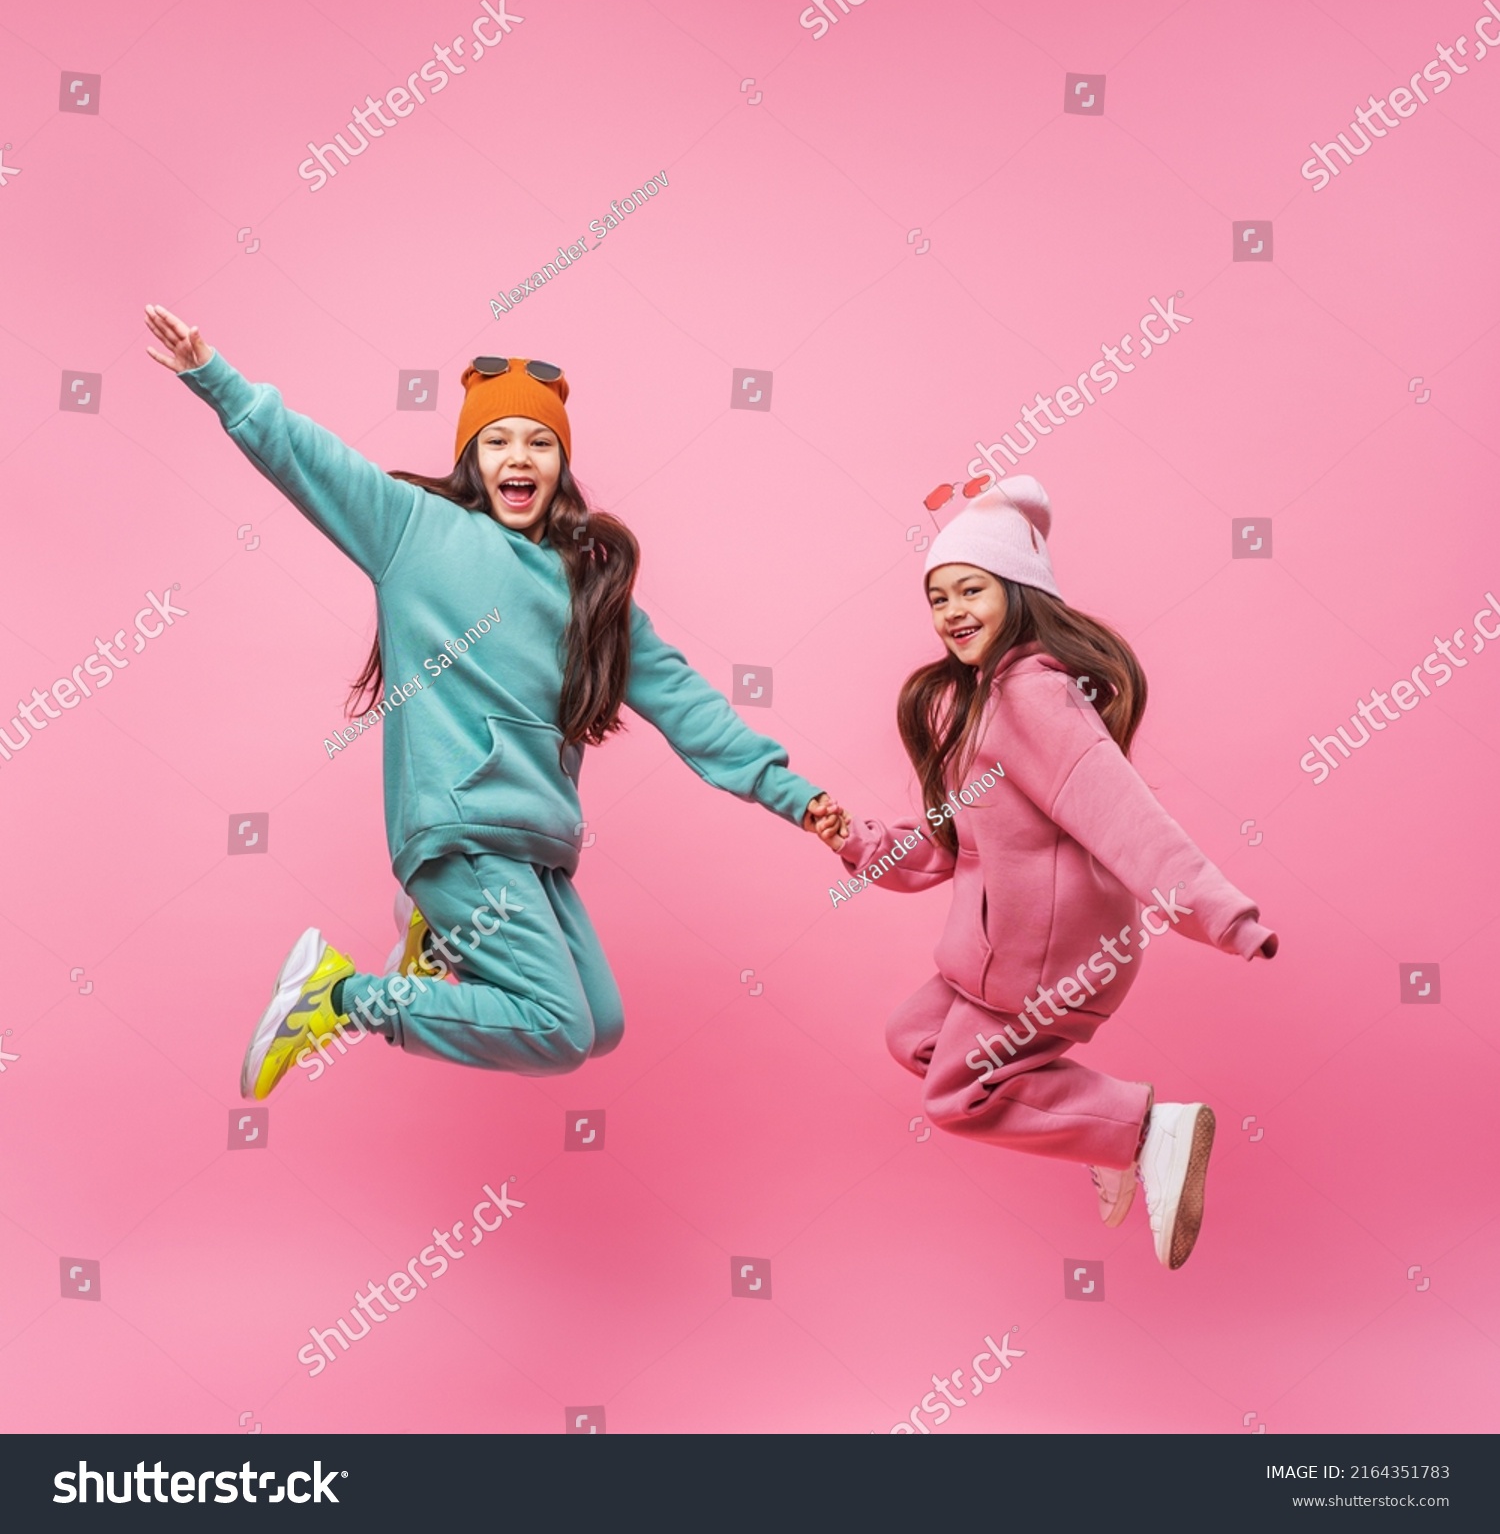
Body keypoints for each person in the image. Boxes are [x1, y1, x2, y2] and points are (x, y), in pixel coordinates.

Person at [145, 305, 842, 1100]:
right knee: (556, 1030)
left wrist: (794, 794)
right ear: (473, 459)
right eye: (498, 440)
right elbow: (312, 460)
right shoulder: (416, 531)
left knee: (600, 1025)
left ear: (562, 466)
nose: (520, 456)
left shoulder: (591, 584)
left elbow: (685, 700)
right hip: (462, 825)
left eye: (540, 442)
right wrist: (216, 379)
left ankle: (440, 948)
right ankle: (335, 995)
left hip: (537, 843)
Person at [810, 476, 1277, 1269]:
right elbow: (950, 852)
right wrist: (851, 840)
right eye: (938, 596)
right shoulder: (977, 705)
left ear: (1020, 594)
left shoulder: (1035, 698)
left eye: (972, 589)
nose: (951, 611)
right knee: (914, 1037)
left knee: (957, 1096)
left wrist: (1224, 915)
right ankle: (1097, 1135)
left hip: (1049, 957)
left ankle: (1140, 1130)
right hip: (994, 954)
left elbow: (1127, 818)